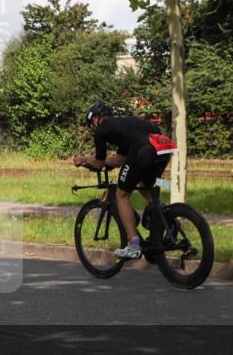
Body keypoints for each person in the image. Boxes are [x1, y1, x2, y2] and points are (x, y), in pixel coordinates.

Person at [72, 101, 176, 260]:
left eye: (91, 123)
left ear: (95, 119)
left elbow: (99, 163)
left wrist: (82, 159)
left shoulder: (101, 129)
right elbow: (119, 161)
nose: (93, 127)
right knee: (145, 187)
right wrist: (102, 161)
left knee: (121, 193)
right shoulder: (123, 127)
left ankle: (133, 244)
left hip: (143, 147)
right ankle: (169, 223)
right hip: (164, 147)